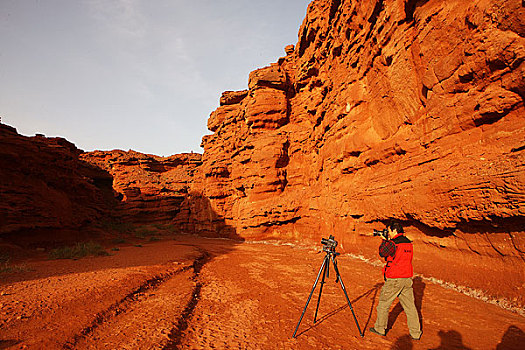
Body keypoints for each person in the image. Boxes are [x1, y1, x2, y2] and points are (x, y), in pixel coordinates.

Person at [369, 221, 422, 340]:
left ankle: (379, 328)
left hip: (394, 279)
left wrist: (384, 240)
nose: (388, 233)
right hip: (407, 279)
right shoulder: (408, 242)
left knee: (383, 304)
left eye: (389, 231)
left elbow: (382, 252)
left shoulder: (394, 243)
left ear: (394, 230)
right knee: (410, 307)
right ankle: (416, 333)